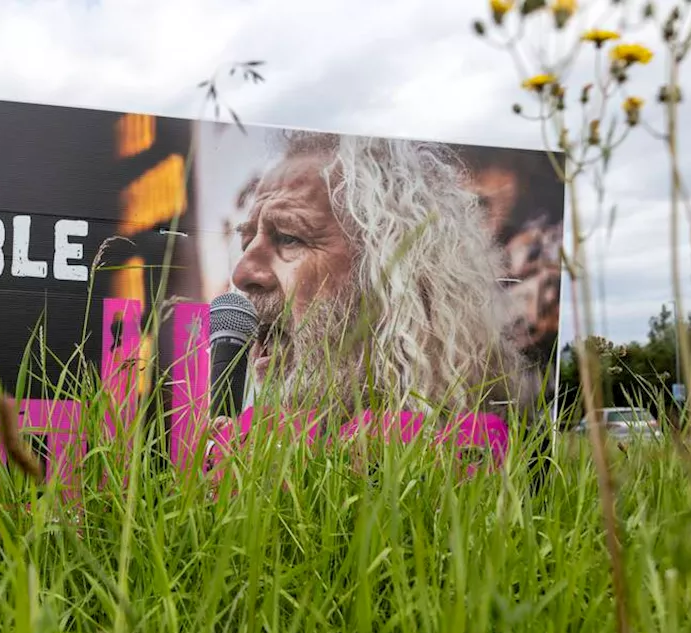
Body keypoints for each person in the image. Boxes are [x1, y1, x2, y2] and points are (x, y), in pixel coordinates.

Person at [220, 130, 540, 439]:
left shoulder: (482, 450)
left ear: (392, 275)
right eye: (247, 242)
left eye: (289, 237)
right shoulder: (245, 449)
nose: (242, 271)